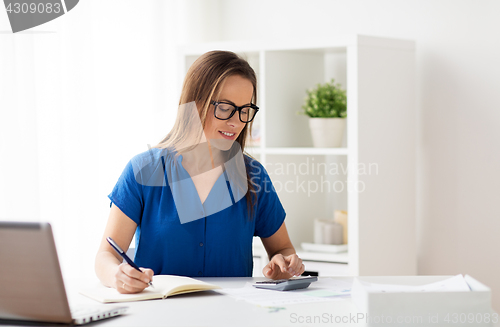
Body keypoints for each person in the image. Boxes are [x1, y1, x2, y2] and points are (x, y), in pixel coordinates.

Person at [95, 50, 305, 294]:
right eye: (225, 108)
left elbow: (283, 249)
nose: (236, 122)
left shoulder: (253, 176)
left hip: (231, 315)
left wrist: (285, 264)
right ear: (195, 103)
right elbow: (105, 256)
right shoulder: (143, 170)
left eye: (245, 110)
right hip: (159, 314)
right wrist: (116, 274)